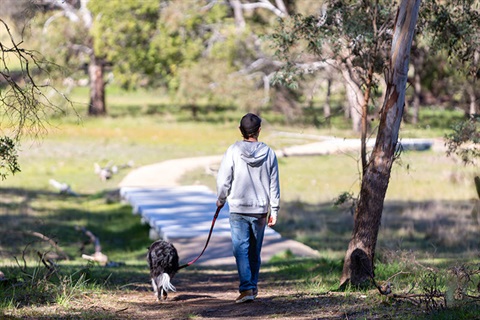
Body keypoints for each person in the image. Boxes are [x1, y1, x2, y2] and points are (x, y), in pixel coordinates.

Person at [216, 113, 280, 303]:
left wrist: (221, 199)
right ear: (259, 130)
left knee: (240, 249)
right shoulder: (269, 153)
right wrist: (274, 210)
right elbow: (274, 184)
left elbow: (224, 179)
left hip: (238, 208)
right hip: (260, 209)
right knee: (254, 250)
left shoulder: (233, 150)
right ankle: (251, 286)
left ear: (240, 130)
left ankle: (247, 289)